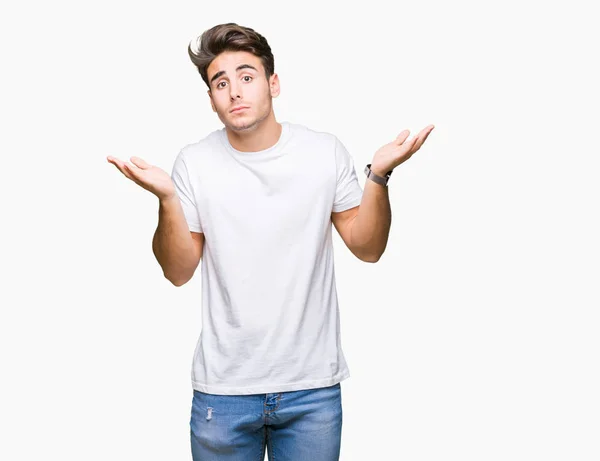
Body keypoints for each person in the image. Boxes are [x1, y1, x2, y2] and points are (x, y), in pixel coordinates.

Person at [107, 22, 434, 461]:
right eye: (220, 83)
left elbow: (367, 247)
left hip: (310, 390)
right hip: (224, 392)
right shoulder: (195, 163)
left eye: (246, 76)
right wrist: (167, 198)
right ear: (211, 99)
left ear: (272, 83)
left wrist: (379, 175)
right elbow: (178, 270)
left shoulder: (324, 152)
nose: (234, 91)